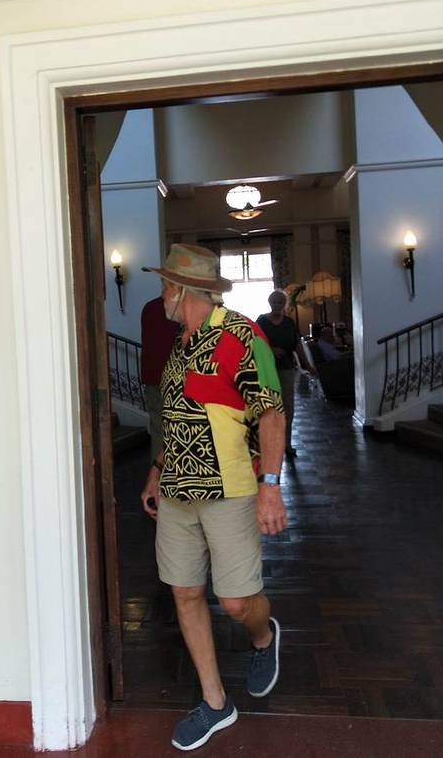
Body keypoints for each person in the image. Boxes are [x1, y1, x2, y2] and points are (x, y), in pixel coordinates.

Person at [140, 244, 287, 752]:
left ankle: (263, 635)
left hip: (230, 489)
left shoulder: (241, 335)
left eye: (165, 285)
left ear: (183, 289)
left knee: (235, 601)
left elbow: (271, 413)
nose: (161, 294)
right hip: (177, 493)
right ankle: (216, 702)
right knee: (184, 592)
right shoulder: (179, 345)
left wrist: (271, 488)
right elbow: (174, 418)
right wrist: (156, 471)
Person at [257, 289, 313, 458]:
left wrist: (307, 364)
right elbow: (254, 342)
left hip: (286, 369)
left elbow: (297, 345)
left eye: (280, 302)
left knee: (288, 407)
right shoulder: (262, 321)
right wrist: (271, 349)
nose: (277, 305)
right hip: (266, 370)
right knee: (268, 407)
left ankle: (286, 443)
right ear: (269, 303)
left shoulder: (289, 322)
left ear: (285, 304)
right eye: (274, 302)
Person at [140, 296, 180, 462]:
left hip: (153, 378)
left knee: (158, 429)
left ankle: (158, 471)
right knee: (180, 428)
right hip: (177, 380)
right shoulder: (180, 308)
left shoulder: (149, 308)